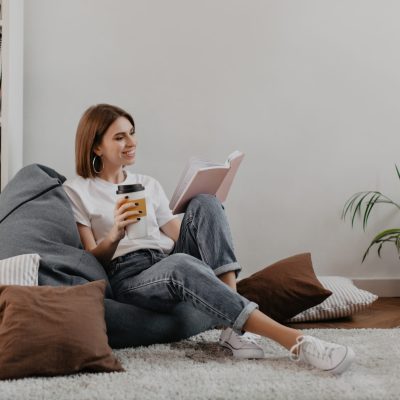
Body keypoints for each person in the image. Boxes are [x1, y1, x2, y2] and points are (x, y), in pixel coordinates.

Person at [63, 103, 355, 374]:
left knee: (206, 201)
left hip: (166, 259)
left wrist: (209, 221)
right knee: (179, 264)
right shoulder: (77, 191)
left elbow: (174, 234)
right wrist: (115, 233)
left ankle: (231, 329)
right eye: (119, 137)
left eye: (132, 133)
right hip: (128, 275)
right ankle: (297, 342)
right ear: (96, 146)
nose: (131, 142)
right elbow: (91, 259)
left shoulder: (148, 184)